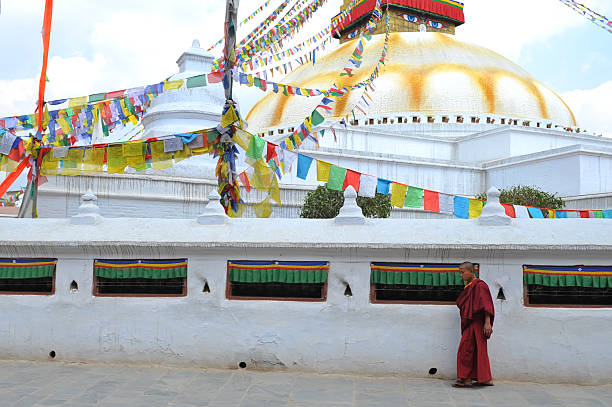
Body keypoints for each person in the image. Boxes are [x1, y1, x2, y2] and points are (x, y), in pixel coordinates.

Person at [453, 261, 495, 388]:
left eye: (463, 272)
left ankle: (481, 379)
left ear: (471, 271)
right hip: (470, 322)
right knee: (468, 350)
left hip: (478, 323)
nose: (461, 275)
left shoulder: (480, 286)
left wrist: (487, 323)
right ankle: (470, 379)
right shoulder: (469, 287)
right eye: (460, 273)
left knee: (475, 350)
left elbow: (486, 305)